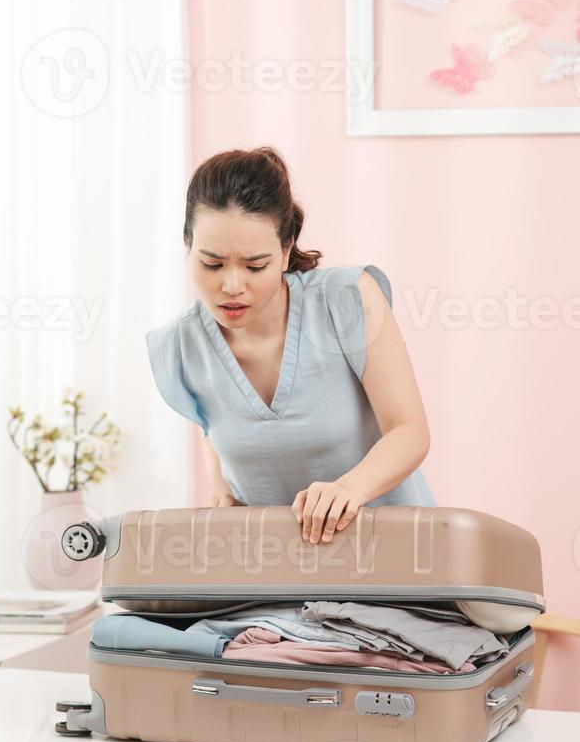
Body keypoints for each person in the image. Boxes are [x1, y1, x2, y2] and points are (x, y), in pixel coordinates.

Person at [145, 146, 437, 545]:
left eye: (255, 266)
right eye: (212, 264)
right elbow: (215, 436)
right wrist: (223, 498)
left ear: (285, 251)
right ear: (188, 245)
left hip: (390, 561)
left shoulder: (347, 300)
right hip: (271, 580)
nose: (232, 286)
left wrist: (349, 489)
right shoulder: (182, 345)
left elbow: (409, 431)